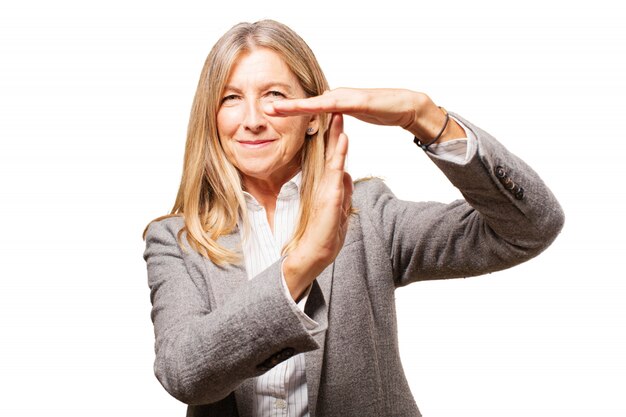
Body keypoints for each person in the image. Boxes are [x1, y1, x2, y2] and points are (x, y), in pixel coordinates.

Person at [143, 19, 564, 417]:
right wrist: (302, 265)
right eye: (231, 98)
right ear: (212, 117)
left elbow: (530, 227)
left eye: (275, 95)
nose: (252, 120)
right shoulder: (175, 240)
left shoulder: (368, 215)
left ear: (312, 116)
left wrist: (427, 118)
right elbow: (184, 375)